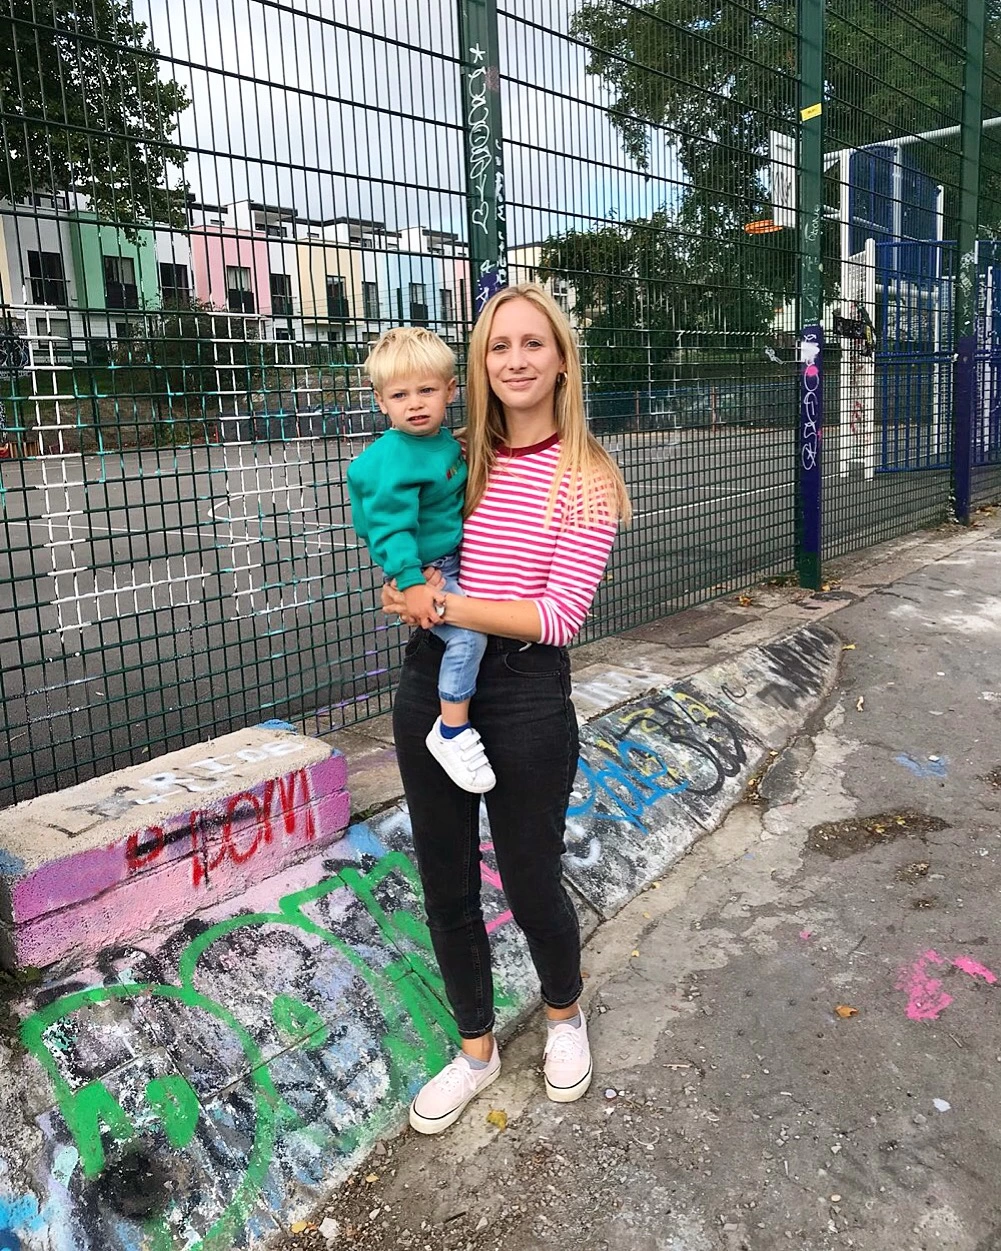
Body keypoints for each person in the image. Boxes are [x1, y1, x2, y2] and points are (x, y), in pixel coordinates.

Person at [381, 283, 632, 1134]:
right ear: (479, 364)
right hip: (430, 682)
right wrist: (403, 582)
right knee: (444, 886)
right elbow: (407, 547)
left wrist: (445, 607)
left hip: (523, 691)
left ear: (561, 356)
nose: (516, 359)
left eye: (533, 343)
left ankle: (564, 1014)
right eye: (498, 346)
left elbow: (558, 615)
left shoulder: (586, 475)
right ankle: (475, 1050)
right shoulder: (455, 457)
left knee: (529, 883)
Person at [347, 327, 496, 793]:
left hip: (444, 558)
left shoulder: (443, 445)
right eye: (400, 394)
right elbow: (390, 527)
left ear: (450, 391)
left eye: (427, 390)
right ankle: (451, 729)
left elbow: (450, 472)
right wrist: (410, 583)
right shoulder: (396, 458)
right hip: (425, 567)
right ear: (381, 401)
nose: (415, 403)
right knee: (469, 635)